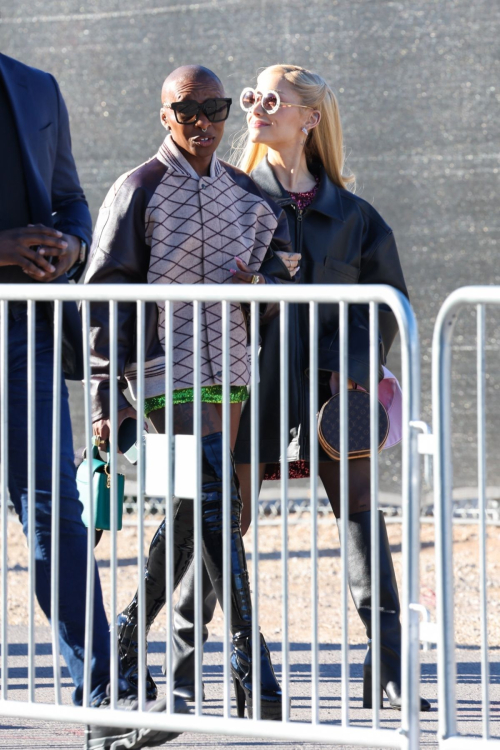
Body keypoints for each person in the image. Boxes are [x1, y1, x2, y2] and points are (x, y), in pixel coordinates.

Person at [170, 64, 431, 712]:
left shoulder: (356, 217)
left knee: (363, 515)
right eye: (250, 97)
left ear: (310, 118)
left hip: (331, 394)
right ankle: (180, 662)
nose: (254, 107)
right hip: (244, 387)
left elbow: (387, 300)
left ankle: (391, 669)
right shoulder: (229, 199)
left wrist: (355, 365)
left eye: (271, 99)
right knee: (223, 521)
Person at [86, 65, 298, 721]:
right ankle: (250, 669)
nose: (203, 123)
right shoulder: (138, 189)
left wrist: (260, 289)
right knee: (211, 498)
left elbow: (284, 266)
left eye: (215, 108)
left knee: (196, 510)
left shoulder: (245, 193)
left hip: (229, 373)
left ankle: (126, 633)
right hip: (159, 374)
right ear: (164, 117)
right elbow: (103, 292)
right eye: (187, 111)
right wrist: (106, 395)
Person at [0, 53, 181, 750]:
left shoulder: (37, 86)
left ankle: (106, 698)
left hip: (25, 332)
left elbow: (70, 197)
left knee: (56, 514)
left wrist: (70, 244)